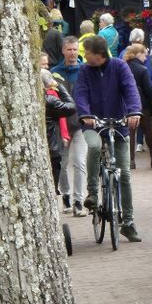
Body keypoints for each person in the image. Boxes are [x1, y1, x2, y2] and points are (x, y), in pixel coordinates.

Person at [74, 35, 143, 243]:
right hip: (92, 124)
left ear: (99, 55)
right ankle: (93, 194)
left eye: (87, 53)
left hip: (118, 124)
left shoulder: (120, 67)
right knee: (94, 147)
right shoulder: (85, 70)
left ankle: (128, 222)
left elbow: (130, 89)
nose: (84, 56)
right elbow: (80, 93)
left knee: (124, 174)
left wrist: (134, 111)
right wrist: (85, 114)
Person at [52, 36, 87, 215]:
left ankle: (79, 201)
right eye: (69, 49)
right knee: (62, 163)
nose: (72, 53)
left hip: (80, 124)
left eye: (75, 49)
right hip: (61, 125)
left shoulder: (85, 71)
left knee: (80, 162)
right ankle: (66, 195)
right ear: (63, 51)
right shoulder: (54, 73)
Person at [123, 44, 152, 169]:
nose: (146, 58)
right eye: (145, 54)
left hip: (126, 104)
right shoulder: (142, 69)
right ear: (138, 54)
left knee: (130, 133)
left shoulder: (123, 67)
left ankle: (130, 161)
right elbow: (149, 91)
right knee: (148, 131)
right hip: (142, 105)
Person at [42, 68, 75, 199]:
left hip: (41, 149)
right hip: (52, 150)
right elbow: (71, 107)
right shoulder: (50, 101)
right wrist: (60, 87)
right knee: (51, 190)